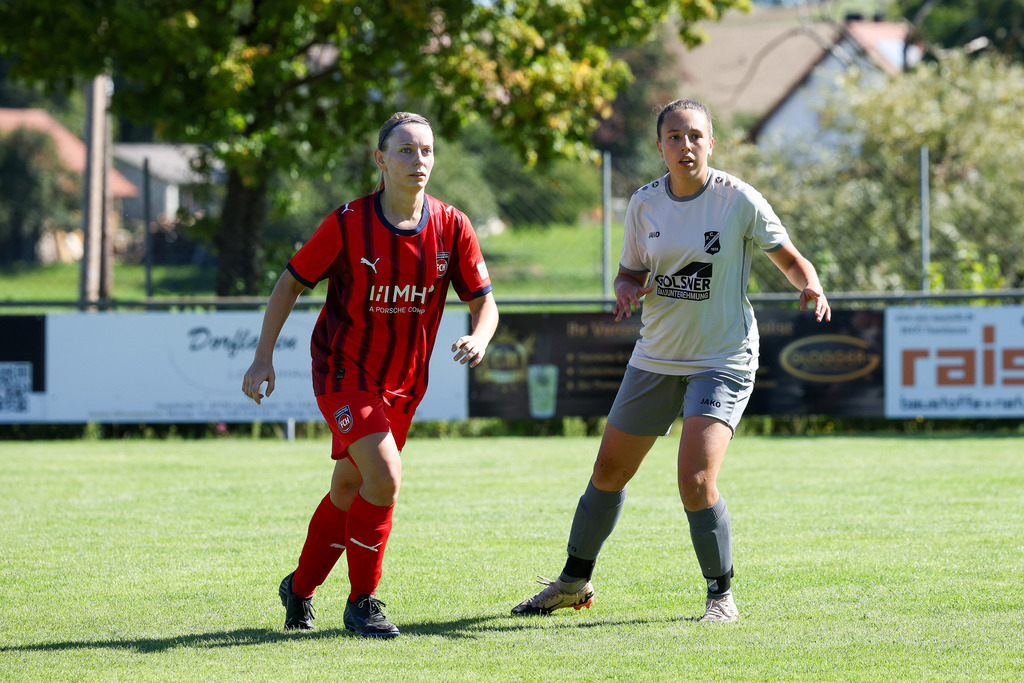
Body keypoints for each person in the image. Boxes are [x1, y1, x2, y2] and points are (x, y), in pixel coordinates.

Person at [510, 98, 830, 623]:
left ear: (711, 142)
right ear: (659, 146)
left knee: (696, 479)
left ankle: (720, 595)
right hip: (656, 356)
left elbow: (790, 258)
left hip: (722, 357)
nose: (686, 145)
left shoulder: (737, 200)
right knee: (609, 470)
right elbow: (630, 273)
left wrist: (811, 286)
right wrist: (624, 290)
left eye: (696, 136)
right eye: (675, 137)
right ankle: (572, 583)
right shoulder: (644, 204)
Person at [242, 111, 498, 637]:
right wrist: (263, 356)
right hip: (342, 371)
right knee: (383, 476)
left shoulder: (452, 226)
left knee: (349, 487)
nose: (418, 160)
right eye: (405, 150)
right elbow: (289, 284)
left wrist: (480, 335)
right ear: (379, 160)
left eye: (425, 150)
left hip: (404, 383)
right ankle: (363, 602)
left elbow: (485, 303)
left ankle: (300, 587)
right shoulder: (347, 223)